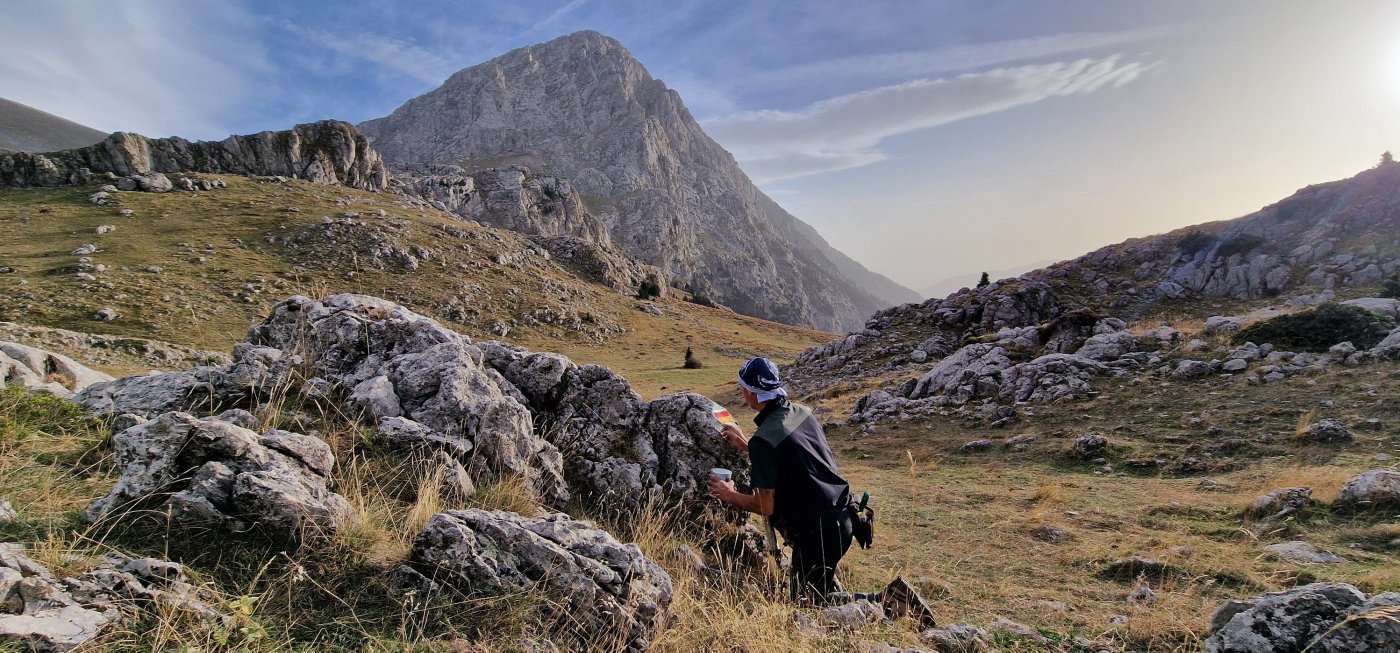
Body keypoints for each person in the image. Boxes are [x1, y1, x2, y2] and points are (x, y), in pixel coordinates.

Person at [707, 357, 854, 604]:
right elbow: (792, 457)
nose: (742, 393)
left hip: (816, 534)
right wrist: (747, 446)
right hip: (843, 515)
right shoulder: (802, 412)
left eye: (743, 388)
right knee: (818, 588)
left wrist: (729, 494)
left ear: (752, 394)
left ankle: (886, 601)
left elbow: (765, 506)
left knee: (809, 604)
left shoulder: (764, 441)